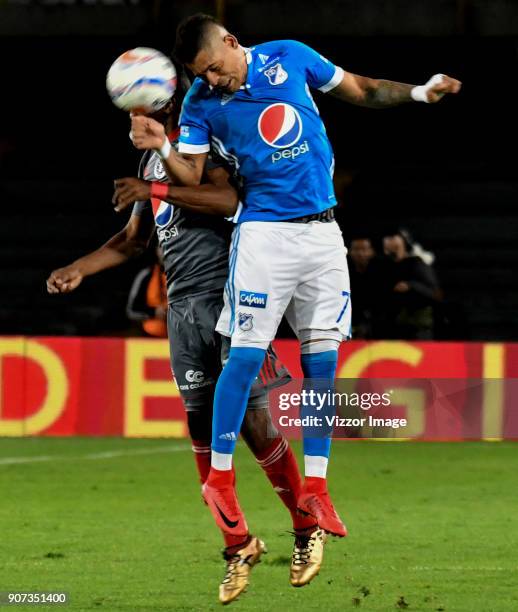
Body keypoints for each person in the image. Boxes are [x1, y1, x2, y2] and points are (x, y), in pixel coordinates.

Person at [129, 11, 462, 595]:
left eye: (214, 67)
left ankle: (318, 488)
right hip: (264, 235)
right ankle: (223, 481)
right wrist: (163, 150)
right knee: (244, 355)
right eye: (200, 74)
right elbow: (196, 176)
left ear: (232, 45)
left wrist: (419, 92)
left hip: (324, 233)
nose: (213, 80)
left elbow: (360, 89)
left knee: (323, 364)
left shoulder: (290, 56)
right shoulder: (201, 105)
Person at [46, 62, 323, 605]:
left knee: (255, 425)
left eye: (141, 109)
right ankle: (238, 544)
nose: (135, 120)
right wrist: (79, 266)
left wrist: (157, 184)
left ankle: (305, 524)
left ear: (164, 105)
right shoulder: (151, 164)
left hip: (232, 298)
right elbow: (132, 242)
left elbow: (227, 202)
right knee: (201, 430)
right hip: (183, 313)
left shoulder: (207, 145)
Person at [382, 228, 441, 339]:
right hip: (392, 329)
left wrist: (411, 286)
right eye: (387, 238)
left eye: (393, 238)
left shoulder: (416, 263)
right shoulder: (384, 266)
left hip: (418, 329)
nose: (388, 241)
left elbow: (435, 293)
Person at [126, 246, 168, 337]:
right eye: (162, 247)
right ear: (157, 251)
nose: (166, 251)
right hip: (150, 338)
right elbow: (131, 310)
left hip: (180, 339)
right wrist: (154, 312)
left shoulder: (185, 277)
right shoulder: (146, 275)